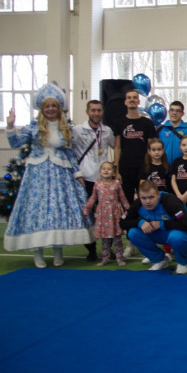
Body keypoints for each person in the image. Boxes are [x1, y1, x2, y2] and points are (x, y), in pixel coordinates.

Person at [4, 83, 93, 268]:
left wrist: (77, 173)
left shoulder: (65, 127)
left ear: (58, 108)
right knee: (37, 210)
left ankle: (58, 250)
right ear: (42, 108)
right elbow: (15, 143)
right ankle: (38, 253)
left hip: (61, 174)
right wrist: (11, 126)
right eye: (47, 106)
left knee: (57, 210)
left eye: (54, 106)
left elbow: (70, 153)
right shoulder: (33, 127)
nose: (51, 109)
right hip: (37, 175)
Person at [119, 180, 187, 274]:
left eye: (151, 197)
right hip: (156, 233)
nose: (147, 201)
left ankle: (182, 262)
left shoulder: (170, 201)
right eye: (144, 198)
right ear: (139, 197)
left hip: (179, 233)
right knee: (133, 233)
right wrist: (140, 222)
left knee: (177, 237)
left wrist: (162, 224)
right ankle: (160, 260)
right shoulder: (137, 204)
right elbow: (122, 222)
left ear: (158, 195)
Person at [72, 99, 115, 261]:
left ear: (102, 112)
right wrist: (77, 173)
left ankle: (107, 248)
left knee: (106, 216)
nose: (96, 113)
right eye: (93, 110)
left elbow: (116, 147)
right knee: (87, 215)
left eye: (99, 110)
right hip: (85, 179)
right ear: (87, 112)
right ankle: (91, 249)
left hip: (104, 180)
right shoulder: (77, 130)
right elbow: (69, 151)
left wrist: (115, 169)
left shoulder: (107, 131)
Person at [83, 162, 130, 267]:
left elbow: (122, 198)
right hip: (103, 215)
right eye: (104, 168)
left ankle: (119, 258)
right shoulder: (97, 184)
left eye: (109, 169)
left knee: (117, 238)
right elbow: (93, 197)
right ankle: (105, 258)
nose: (106, 170)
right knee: (105, 239)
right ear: (100, 171)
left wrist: (129, 210)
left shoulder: (116, 183)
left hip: (115, 214)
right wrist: (87, 208)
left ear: (113, 172)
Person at [114, 89, 156, 204]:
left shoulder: (147, 123)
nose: (132, 100)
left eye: (134, 98)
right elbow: (117, 148)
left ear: (138, 101)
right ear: (125, 102)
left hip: (143, 166)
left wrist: (150, 167)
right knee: (126, 200)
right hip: (125, 167)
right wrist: (116, 170)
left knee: (145, 198)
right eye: (129, 98)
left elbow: (151, 148)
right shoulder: (119, 122)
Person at [157, 101, 187, 166]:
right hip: (163, 166)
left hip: (182, 167)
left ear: (182, 113)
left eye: (178, 111)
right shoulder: (160, 130)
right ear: (169, 112)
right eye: (172, 110)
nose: (174, 113)